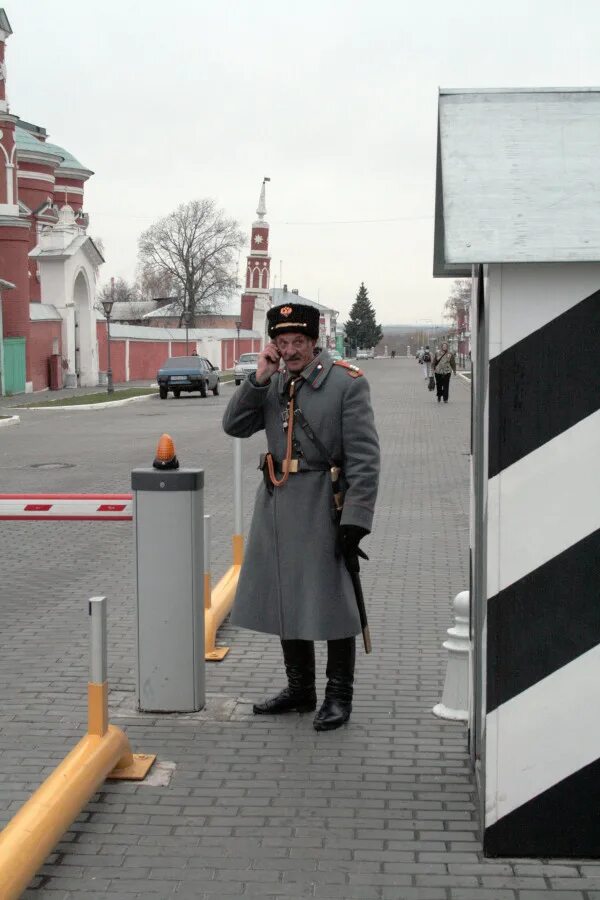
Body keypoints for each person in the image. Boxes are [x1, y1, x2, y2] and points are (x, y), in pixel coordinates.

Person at [222, 302, 380, 732]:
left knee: (333, 603)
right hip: (277, 505)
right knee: (286, 597)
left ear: (314, 342)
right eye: (282, 342)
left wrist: (357, 518)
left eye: (297, 342)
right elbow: (234, 426)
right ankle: (300, 690)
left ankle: (339, 695)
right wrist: (258, 378)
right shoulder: (272, 382)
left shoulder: (346, 384)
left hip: (324, 507)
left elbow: (365, 458)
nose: (289, 350)